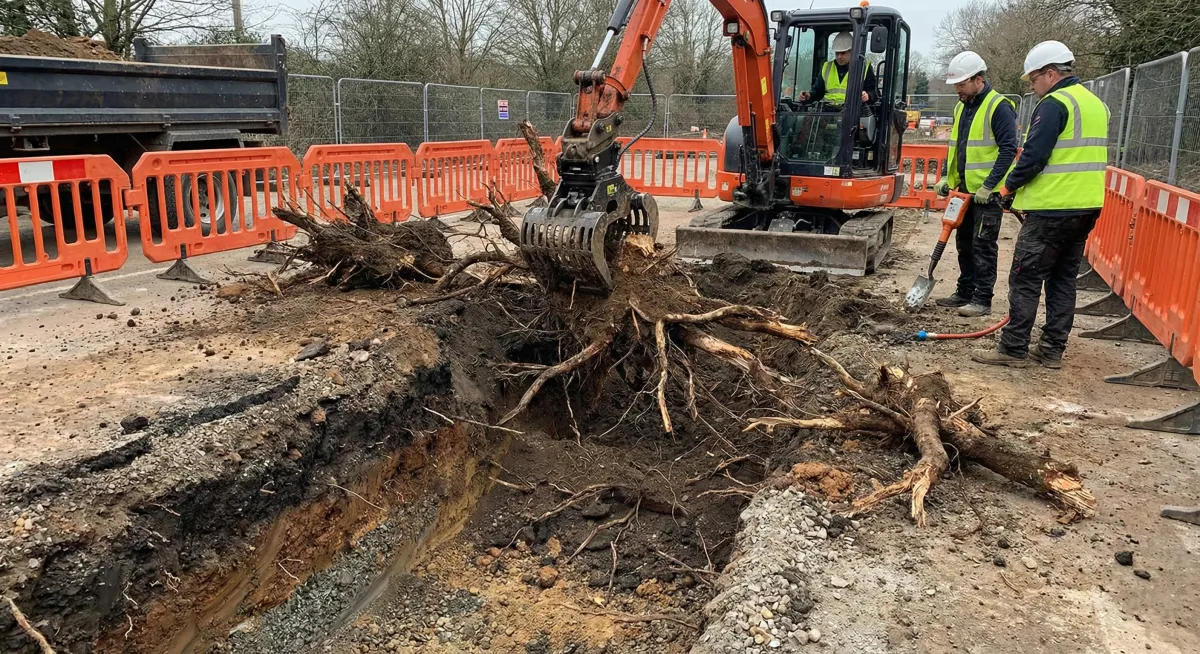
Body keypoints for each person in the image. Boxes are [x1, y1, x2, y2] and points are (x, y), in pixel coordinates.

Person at [972, 40, 1108, 369]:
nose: (1032, 87)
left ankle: (1013, 347)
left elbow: (1033, 157)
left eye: (1033, 80)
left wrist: (1007, 189)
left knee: (1025, 277)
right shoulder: (1095, 104)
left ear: (1050, 74)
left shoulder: (1054, 104)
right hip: (1087, 206)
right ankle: (1051, 351)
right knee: (1063, 279)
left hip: (1052, 209)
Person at [933, 51, 1019, 317]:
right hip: (964, 192)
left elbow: (1008, 150)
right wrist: (948, 176)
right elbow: (956, 146)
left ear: (978, 80)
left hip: (987, 195)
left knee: (983, 246)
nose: (957, 89)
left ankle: (982, 298)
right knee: (965, 244)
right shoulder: (961, 107)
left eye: (961, 84)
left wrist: (990, 185)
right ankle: (965, 291)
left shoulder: (998, 106)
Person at [799, 32, 877, 105]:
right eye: (837, 53)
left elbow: (875, 92)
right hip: (827, 112)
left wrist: (868, 96)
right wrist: (809, 95)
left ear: (852, 51)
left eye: (843, 53)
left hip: (851, 113)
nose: (839, 57)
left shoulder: (863, 67)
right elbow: (817, 91)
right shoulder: (827, 67)